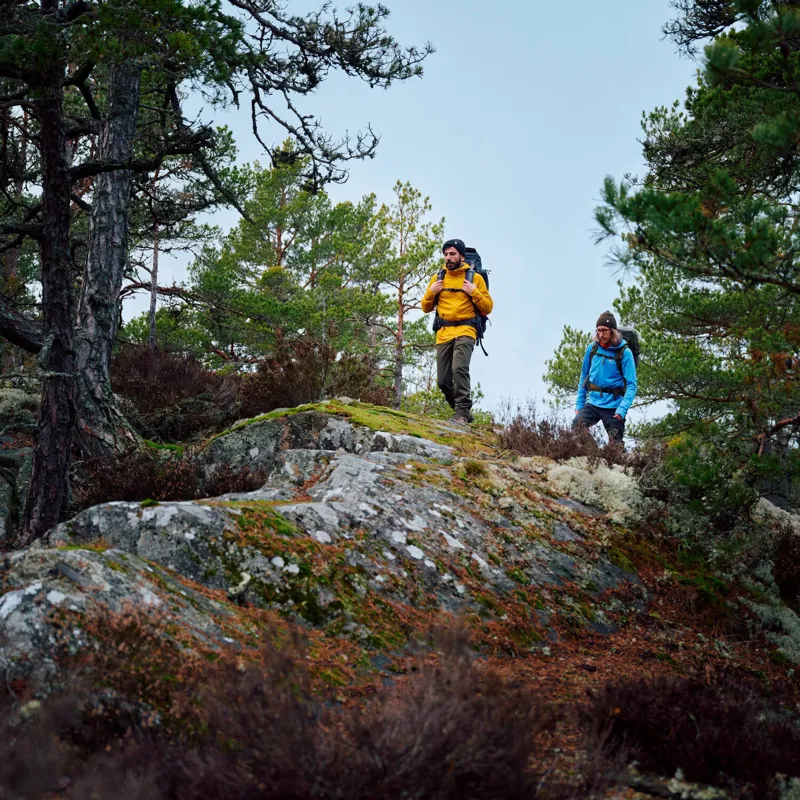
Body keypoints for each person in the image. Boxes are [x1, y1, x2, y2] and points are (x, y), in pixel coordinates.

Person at [421, 238, 493, 424]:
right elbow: (425, 307)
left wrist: (473, 292)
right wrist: (432, 292)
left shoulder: (474, 278)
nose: (448, 258)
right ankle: (463, 413)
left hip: (466, 331)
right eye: (446, 254)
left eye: (452, 254)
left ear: (461, 256)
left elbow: (488, 306)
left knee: (459, 368)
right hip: (444, 332)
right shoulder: (438, 278)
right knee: (443, 381)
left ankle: (461, 413)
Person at [573, 311, 637, 445]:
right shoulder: (592, 348)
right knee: (577, 426)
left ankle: (616, 462)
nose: (600, 334)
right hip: (593, 403)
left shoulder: (625, 353)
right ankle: (594, 454)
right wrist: (579, 404)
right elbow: (584, 376)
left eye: (604, 331)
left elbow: (632, 385)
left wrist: (622, 410)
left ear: (612, 331)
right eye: (598, 331)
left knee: (615, 444)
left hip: (614, 406)